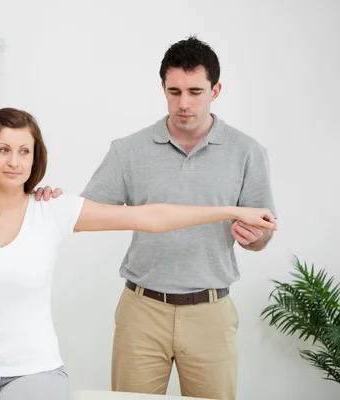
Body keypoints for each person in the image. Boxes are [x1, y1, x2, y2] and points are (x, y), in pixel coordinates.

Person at [0, 107, 277, 400]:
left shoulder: (52, 210)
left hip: (35, 370)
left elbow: (152, 217)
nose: (14, 161)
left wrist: (233, 210)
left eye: (24, 151)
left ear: (35, 159)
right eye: (3, 149)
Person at [35, 36, 277, 400]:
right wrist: (51, 202)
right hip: (142, 312)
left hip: (211, 312)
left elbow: (262, 233)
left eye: (195, 91)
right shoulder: (128, 150)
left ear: (216, 89)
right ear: (162, 88)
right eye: (174, 91)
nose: (184, 103)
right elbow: (85, 215)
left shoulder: (248, 152)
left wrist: (254, 237)